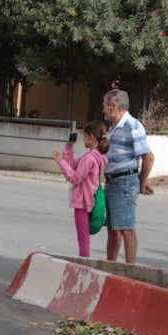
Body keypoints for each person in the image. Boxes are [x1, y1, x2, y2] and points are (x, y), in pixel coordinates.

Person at [101, 88, 154, 263]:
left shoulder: (132, 125)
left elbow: (148, 156)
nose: (103, 110)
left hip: (123, 182)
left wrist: (141, 181)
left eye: (104, 106)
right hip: (112, 181)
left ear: (113, 106)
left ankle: (130, 270)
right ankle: (111, 266)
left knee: (126, 228)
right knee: (113, 228)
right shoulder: (115, 127)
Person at [54, 122, 108, 257]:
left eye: (84, 136)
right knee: (83, 238)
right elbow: (72, 164)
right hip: (90, 200)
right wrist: (69, 146)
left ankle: (84, 267)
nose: (83, 139)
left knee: (83, 239)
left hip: (83, 202)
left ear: (91, 137)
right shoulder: (96, 156)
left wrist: (60, 162)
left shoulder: (89, 158)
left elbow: (75, 178)